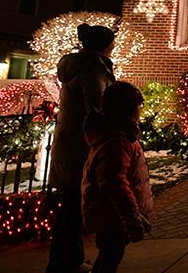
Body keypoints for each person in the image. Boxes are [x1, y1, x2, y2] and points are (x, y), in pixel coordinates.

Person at [47, 23, 116, 273]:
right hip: (81, 147)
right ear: (104, 45)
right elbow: (97, 109)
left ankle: (67, 261)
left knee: (71, 207)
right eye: (112, 42)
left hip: (69, 144)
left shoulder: (75, 66)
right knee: (75, 208)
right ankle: (62, 264)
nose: (114, 45)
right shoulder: (92, 70)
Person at [82, 82, 153, 273]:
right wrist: (131, 217)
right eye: (137, 107)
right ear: (126, 110)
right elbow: (115, 184)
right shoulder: (117, 142)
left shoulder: (120, 136)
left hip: (112, 215)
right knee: (110, 256)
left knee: (111, 254)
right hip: (110, 215)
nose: (140, 112)